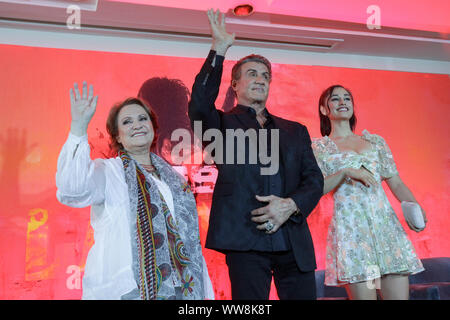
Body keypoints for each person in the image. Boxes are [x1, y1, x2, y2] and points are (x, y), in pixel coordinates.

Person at [188, 9, 324, 300]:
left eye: (265, 75)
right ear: (235, 85)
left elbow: (314, 180)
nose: (261, 79)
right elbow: (199, 103)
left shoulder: (295, 130)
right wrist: (219, 49)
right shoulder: (220, 125)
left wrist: (291, 205)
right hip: (244, 240)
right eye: (252, 74)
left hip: (293, 241)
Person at [56, 81, 214, 300]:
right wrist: (78, 129)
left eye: (143, 119)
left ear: (154, 128)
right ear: (118, 136)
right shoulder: (109, 172)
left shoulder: (175, 181)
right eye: (127, 122)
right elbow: (72, 189)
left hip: (180, 288)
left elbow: (188, 240)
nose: (137, 125)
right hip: (128, 289)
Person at [311, 84, 427, 300]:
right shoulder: (319, 148)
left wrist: (414, 205)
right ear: (324, 109)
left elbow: (396, 183)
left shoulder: (374, 142)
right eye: (335, 99)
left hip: (385, 229)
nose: (343, 102)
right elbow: (315, 189)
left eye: (347, 98)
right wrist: (346, 171)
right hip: (352, 233)